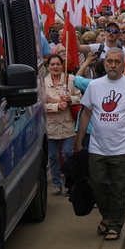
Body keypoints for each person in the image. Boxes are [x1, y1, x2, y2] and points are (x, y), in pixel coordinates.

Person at [74, 48, 125, 241]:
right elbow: (86, 114)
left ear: (123, 65)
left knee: (119, 189)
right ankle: (107, 216)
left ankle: (115, 225)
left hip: (123, 149)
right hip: (97, 148)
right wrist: (78, 141)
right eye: (109, 61)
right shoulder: (94, 86)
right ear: (104, 63)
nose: (113, 65)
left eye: (117, 62)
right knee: (97, 184)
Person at [44, 54, 80, 196]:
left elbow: (80, 97)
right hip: (51, 125)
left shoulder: (70, 80)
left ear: (62, 65)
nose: (55, 67)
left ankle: (69, 183)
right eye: (52, 64)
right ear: (48, 66)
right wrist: (56, 106)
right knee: (52, 156)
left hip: (67, 123)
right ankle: (57, 184)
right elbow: (40, 105)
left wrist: (70, 98)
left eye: (58, 64)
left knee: (67, 153)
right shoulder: (42, 82)